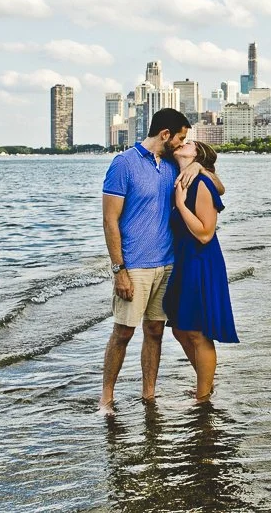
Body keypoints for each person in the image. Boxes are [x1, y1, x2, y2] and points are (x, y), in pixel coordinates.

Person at [99, 108, 201, 415]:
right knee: (123, 332)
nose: (182, 143)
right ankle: (106, 398)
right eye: (180, 137)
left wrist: (197, 166)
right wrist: (119, 270)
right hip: (134, 266)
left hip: (167, 264)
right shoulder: (124, 164)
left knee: (155, 331)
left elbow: (210, 173)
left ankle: (149, 395)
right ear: (165, 134)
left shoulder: (171, 164)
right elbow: (110, 220)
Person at [164, 141, 238, 405]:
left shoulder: (201, 183)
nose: (182, 143)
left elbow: (206, 233)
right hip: (183, 261)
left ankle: (203, 397)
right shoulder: (180, 177)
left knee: (197, 332)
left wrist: (181, 205)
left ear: (197, 155)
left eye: (189, 144)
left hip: (201, 261)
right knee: (179, 329)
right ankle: (205, 383)